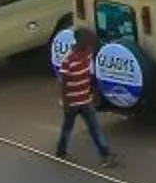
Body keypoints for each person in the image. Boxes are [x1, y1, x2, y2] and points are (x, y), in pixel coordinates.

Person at [51, 16, 121, 167]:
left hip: (85, 100)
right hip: (72, 102)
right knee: (68, 128)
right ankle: (61, 151)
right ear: (81, 43)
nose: (90, 45)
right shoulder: (69, 61)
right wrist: (67, 102)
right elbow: (63, 83)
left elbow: (90, 76)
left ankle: (105, 154)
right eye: (87, 43)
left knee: (94, 127)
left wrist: (93, 94)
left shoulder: (87, 55)